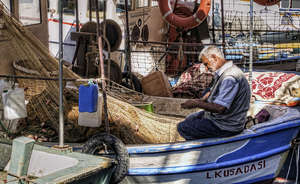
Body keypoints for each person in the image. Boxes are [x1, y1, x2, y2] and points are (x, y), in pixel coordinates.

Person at [177, 46, 251, 140]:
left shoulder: (229, 77)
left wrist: (196, 103)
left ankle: (204, 149)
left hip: (226, 126)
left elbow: (220, 108)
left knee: (183, 127)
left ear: (214, 58)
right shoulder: (223, 72)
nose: (207, 69)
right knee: (191, 118)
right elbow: (214, 92)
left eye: (207, 64)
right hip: (221, 119)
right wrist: (201, 100)